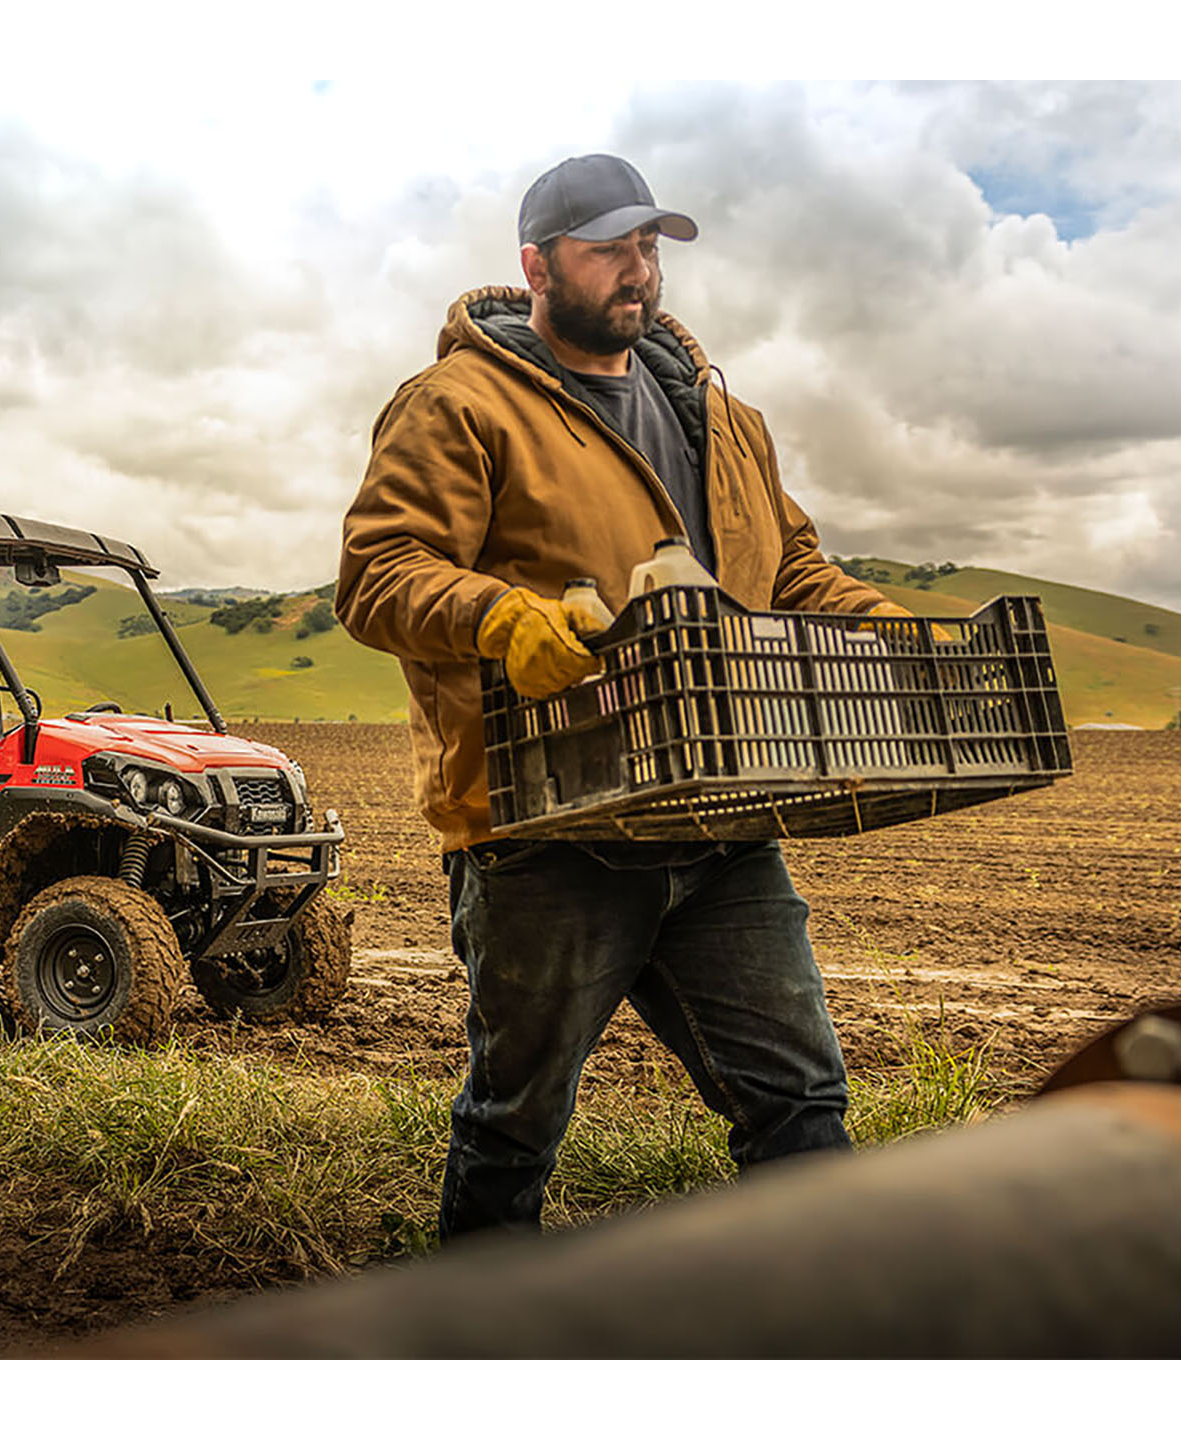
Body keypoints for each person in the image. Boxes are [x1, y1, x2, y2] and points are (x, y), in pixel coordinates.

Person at [335, 154, 915, 1241]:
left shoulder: (721, 417)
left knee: (800, 1101)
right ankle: (474, 1341)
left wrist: (877, 626)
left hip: (719, 811)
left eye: (649, 247)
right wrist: (501, 619)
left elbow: (785, 570)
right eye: (609, 249)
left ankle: (838, 1335)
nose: (638, 272)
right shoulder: (460, 405)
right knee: (517, 1122)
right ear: (538, 265)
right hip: (546, 824)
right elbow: (380, 575)